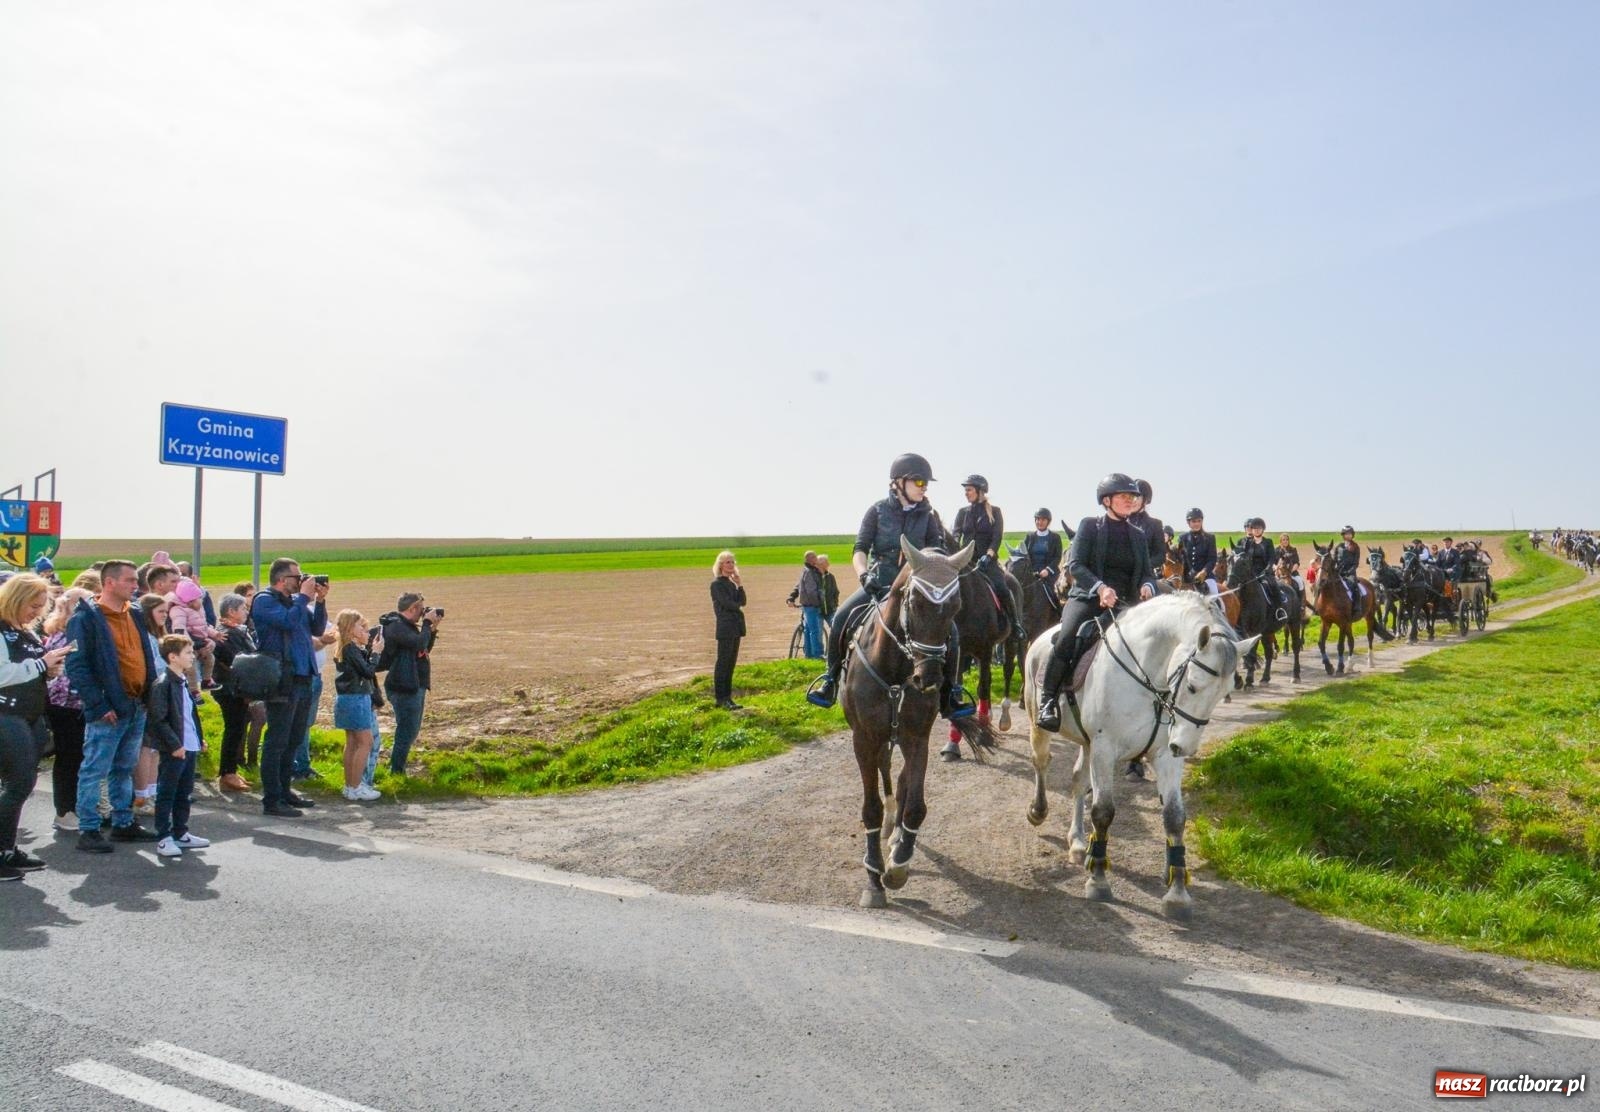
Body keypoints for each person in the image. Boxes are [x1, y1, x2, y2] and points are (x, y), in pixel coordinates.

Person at [806, 453, 973, 719]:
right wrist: (864, 575)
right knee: (840, 618)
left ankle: (951, 693)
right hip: (879, 583)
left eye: (926, 483)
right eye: (919, 482)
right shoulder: (877, 510)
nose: (924, 487)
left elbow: (937, 552)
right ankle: (830, 680)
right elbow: (860, 549)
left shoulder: (929, 517)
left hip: (914, 589)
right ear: (898, 482)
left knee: (951, 630)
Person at [1035, 473, 1158, 734]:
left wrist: (1148, 585)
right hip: (1088, 598)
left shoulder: (1138, 535)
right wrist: (1101, 588)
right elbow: (1076, 565)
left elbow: (1148, 573)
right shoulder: (1090, 526)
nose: (1130, 500)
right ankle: (1048, 701)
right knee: (1067, 636)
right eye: (1124, 496)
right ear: (1106, 500)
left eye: (1133, 496)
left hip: (1126, 604)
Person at [65, 559, 160, 852]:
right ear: (109, 582)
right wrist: (98, 704)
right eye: (130, 580)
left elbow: (144, 654)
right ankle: (89, 828)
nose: (136, 585)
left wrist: (150, 695)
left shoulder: (134, 613)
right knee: (95, 769)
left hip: (136, 704)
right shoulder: (86, 619)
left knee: (124, 767)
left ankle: (123, 822)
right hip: (107, 709)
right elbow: (76, 665)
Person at [1, 574, 69, 879]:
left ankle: (7, 848)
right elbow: (2, 674)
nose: (37, 612)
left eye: (41, 607)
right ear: (15, 599)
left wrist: (50, 671)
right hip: (7, 714)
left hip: (30, 714)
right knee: (18, 784)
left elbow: (29, 671)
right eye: (33, 605)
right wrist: (42, 664)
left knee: (22, 785)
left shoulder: (24, 631)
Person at [250, 558, 327, 817]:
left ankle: (285, 791)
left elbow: (316, 627)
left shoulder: (294, 603)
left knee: (293, 739)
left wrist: (320, 601)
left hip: (303, 676)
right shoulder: (264, 600)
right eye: (298, 576)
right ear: (283, 579)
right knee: (277, 740)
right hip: (282, 679)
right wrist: (303, 598)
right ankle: (272, 799)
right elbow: (287, 622)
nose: (303, 580)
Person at [143, 635, 210, 858]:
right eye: (188, 653)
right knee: (167, 792)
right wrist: (174, 744)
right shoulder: (163, 684)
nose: (193, 657)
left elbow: (190, 715)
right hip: (176, 748)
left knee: (184, 792)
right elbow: (158, 719)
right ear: (172, 657)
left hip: (189, 746)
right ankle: (163, 836)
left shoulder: (182, 681)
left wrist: (199, 738)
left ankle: (181, 832)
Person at [952, 474, 1026, 642]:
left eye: (969, 490)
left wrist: (989, 555)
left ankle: (1015, 624)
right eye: (965, 490)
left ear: (980, 491)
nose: (966, 493)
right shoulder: (962, 513)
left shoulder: (995, 512)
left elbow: (997, 537)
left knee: (1002, 588)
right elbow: (956, 534)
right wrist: (956, 552)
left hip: (987, 561)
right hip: (966, 561)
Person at [43, 588, 92, 832]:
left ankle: (73, 808)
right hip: (66, 706)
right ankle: (64, 811)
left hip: (72, 705)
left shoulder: (65, 632)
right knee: (69, 758)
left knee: (75, 757)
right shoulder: (67, 637)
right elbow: (65, 677)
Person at [379, 592, 442, 775]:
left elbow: (424, 649)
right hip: (403, 687)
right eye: (421, 608)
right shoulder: (396, 626)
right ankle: (396, 771)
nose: (423, 613)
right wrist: (427, 623)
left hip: (413, 684)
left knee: (411, 730)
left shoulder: (407, 627)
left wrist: (432, 629)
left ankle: (397, 767)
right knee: (406, 730)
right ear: (412, 608)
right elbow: (419, 644)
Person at [331, 609, 384, 801]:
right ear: (350, 628)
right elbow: (368, 672)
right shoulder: (350, 649)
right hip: (356, 699)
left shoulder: (347, 649)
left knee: (352, 743)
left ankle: (350, 785)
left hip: (347, 698)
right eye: (362, 627)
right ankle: (355, 787)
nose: (366, 632)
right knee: (365, 742)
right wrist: (376, 653)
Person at [211, 593, 257, 792]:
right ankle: (227, 774)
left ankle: (230, 770)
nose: (247, 612)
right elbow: (239, 662)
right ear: (231, 611)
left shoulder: (233, 631)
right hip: (230, 690)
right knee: (234, 729)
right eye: (243, 608)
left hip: (234, 688)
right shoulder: (227, 634)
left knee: (237, 728)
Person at [710, 552, 746, 710]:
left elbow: (742, 601)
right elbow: (729, 604)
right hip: (726, 628)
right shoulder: (716, 585)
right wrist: (737, 604)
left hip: (736, 628)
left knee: (731, 664)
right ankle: (720, 699)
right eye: (727, 562)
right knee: (723, 664)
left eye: (732, 562)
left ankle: (728, 698)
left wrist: (739, 585)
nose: (731, 565)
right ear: (720, 566)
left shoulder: (731, 584)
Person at [1240, 518, 1287, 621]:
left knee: (1273, 585)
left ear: (1263, 529)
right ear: (1252, 530)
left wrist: (1267, 569)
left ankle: (1279, 610)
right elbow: (1245, 559)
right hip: (1251, 573)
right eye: (1254, 528)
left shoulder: (1268, 542)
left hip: (1265, 572)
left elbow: (1271, 558)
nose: (1256, 530)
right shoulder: (1248, 543)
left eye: (1259, 528)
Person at [785, 551, 825, 660]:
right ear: (810, 559)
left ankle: (809, 655)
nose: (816, 558)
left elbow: (798, 586)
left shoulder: (806, 570)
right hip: (812, 605)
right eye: (814, 557)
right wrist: (819, 603)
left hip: (807, 605)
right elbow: (811, 591)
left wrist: (791, 597)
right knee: (815, 631)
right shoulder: (810, 572)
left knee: (808, 630)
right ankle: (818, 655)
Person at [1128, 479, 1169, 575]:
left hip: (1144, 575)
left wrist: (1142, 566)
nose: (1133, 500)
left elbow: (1160, 556)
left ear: (1145, 500)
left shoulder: (1155, 524)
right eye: (1131, 496)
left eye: (1137, 497)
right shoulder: (1118, 521)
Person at [1178, 509, 1219, 594]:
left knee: (1214, 592)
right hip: (1186, 577)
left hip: (1206, 577)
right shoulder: (1182, 538)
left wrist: (1204, 572)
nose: (1197, 524)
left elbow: (1212, 559)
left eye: (1199, 521)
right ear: (1188, 522)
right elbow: (1180, 559)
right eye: (1194, 521)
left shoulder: (1210, 538)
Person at [1024, 509, 1064, 592]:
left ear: (1048, 521)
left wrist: (1048, 570)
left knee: (1055, 593)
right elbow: (1024, 554)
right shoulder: (1029, 537)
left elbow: (1057, 557)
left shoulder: (1055, 537)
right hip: (1032, 573)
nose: (1040, 522)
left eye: (1043, 520)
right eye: (1038, 519)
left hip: (1049, 573)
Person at [1333, 526, 1363, 607]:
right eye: (1346, 534)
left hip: (1350, 573)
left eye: (1350, 534)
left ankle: (1357, 606)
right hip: (1338, 572)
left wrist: (1349, 572)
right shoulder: (1338, 546)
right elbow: (1334, 560)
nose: (1348, 535)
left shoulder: (1355, 547)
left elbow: (1356, 563)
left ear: (1352, 535)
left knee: (1354, 585)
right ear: (1343, 535)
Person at [816, 555, 840, 623]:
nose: (828, 564)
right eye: (826, 562)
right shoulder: (812, 576)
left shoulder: (830, 576)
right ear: (821, 564)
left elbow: (836, 591)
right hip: (817, 611)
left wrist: (835, 604)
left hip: (830, 610)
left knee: (836, 626)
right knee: (818, 629)